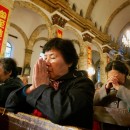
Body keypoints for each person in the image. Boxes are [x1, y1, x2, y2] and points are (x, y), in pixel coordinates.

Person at [5, 38, 95, 130]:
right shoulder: (45, 83)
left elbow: (62, 113)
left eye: (52, 57)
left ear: (70, 62)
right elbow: (10, 105)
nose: (46, 63)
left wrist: (41, 87)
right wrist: (31, 89)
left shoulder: (83, 83)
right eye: (45, 58)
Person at [93, 60, 130, 130]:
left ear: (124, 74)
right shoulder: (106, 85)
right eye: (110, 77)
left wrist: (119, 88)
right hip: (106, 124)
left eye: (116, 76)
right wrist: (106, 89)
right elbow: (93, 102)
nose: (113, 79)